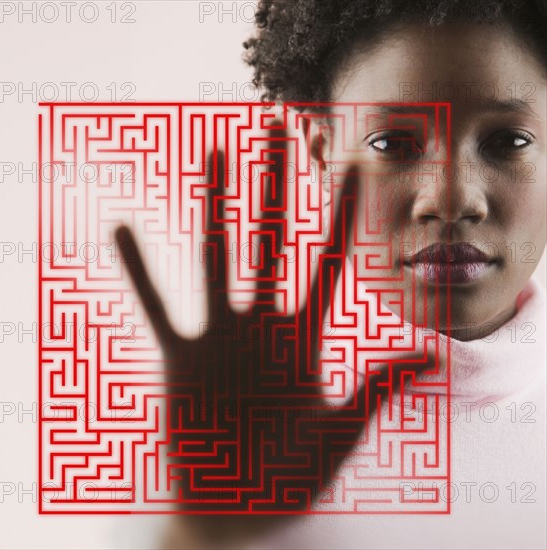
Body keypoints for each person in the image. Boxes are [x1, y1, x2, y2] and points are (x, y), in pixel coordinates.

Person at [119, 0, 547, 548]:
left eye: (507, 141)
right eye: (392, 143)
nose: (450, 197)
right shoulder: (230, 423)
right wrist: (207, 525)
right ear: (323, 156)